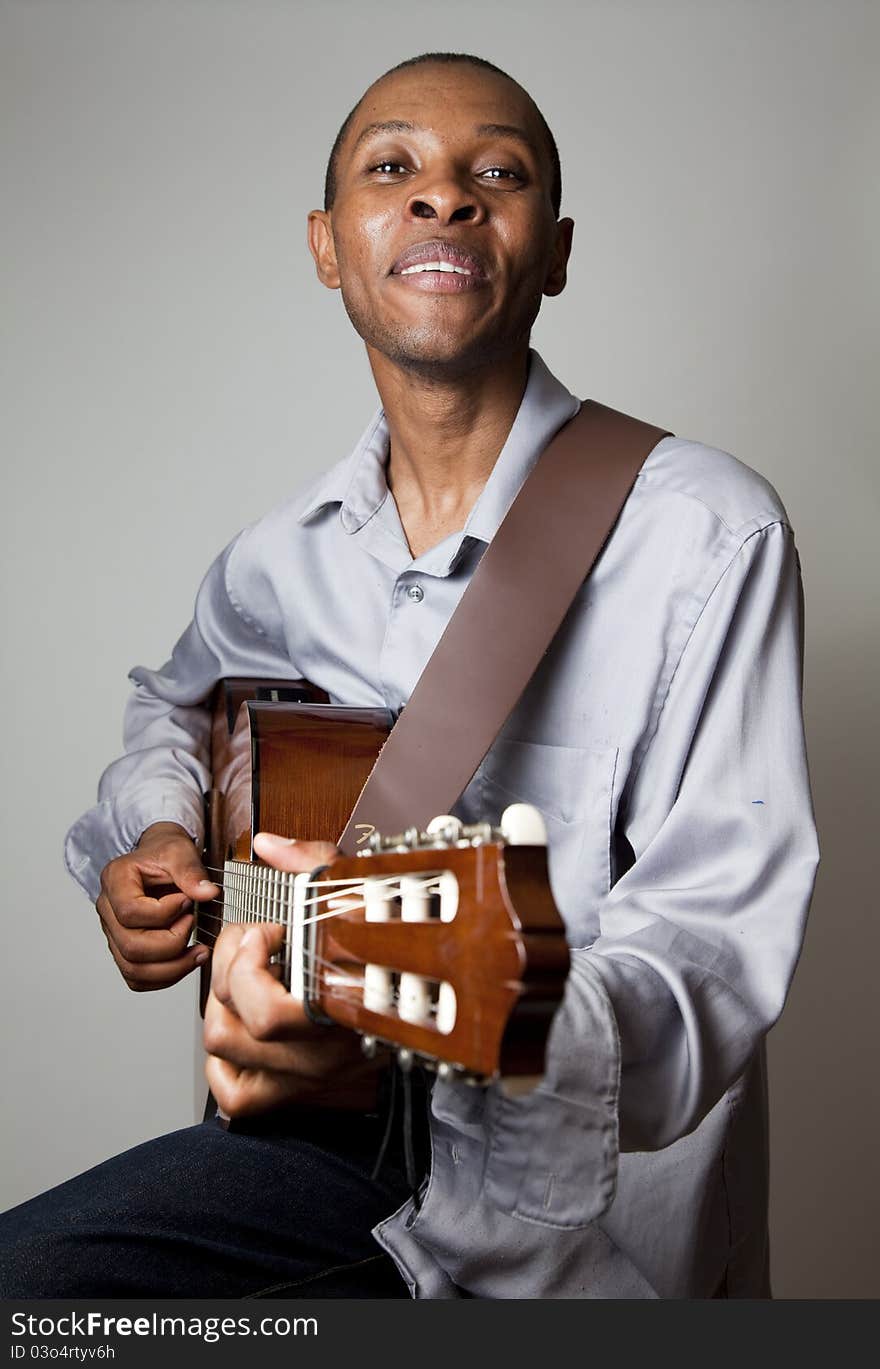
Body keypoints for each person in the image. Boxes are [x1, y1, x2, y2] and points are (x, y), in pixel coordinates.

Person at [1, 51, 819, 1299]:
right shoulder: (280, 562)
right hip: (319, 1160)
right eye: (395, 169)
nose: (444, 196)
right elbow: (170, 707)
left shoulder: (705, 536)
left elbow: (712, 960)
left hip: (557, 1239)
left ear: (553, 250)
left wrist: (451, 980)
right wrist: (154, 840)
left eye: (497, 171)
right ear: (330, 246)